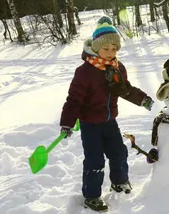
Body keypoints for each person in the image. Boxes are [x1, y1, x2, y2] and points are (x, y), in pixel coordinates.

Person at [59, 16, 154, 212]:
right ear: (95, 47)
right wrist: (67, 122)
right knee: (95, 161)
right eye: (106, 48)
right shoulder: (84, 72)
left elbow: (125, 90)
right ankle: (92, 196)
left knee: (119, 153)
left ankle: (120, 182)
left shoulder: (118, 68)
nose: (110, 53)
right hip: (90, 125)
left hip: (110, 122)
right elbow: (74, 99)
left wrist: (142, 98)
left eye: (114, 49)